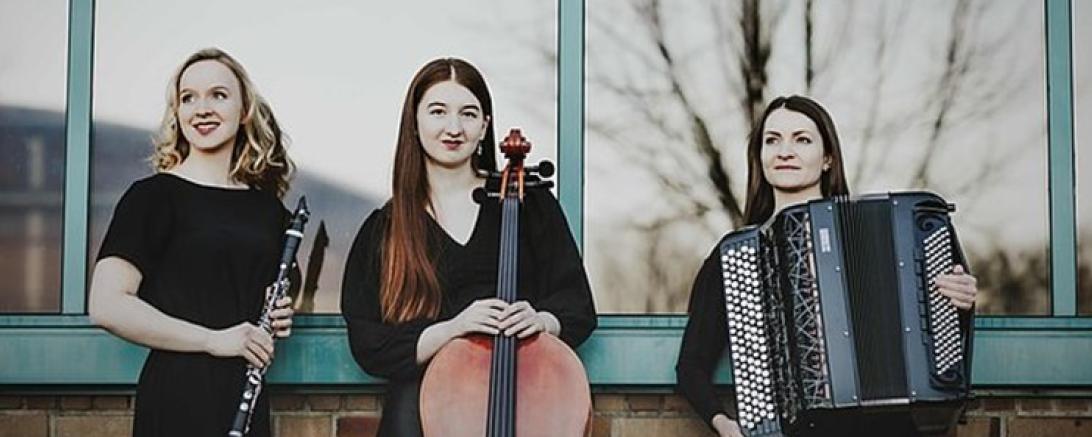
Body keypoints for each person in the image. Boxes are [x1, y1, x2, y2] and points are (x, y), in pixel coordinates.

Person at [675, 95, 979, 437]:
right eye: (772, 140)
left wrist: (957, 302)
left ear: (827, 158)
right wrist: (725, 425)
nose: (784, 151)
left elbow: (937, 341)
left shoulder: (898, 231)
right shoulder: (737, 256)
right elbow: (691, 365)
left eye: (802, 140)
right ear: (759, 157)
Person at [340, 57, 597, 437]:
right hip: (420, 412)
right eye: (438, 111)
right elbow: (369, 343)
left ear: (484, 126)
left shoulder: (529, 205)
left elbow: (577, 304)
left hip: (524, 397)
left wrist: (542, 321)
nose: (454, 128)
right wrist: (453, 328)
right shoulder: (387, 228)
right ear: (414, 122)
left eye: (468, 114)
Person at [88, 48, 297, 437]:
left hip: (245, 394)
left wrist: (280, 311)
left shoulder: (268, 210)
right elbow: (106, 304)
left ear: (244, 110)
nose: (201, 109)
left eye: (218, 95)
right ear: (178, 112)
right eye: (188, 98)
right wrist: (212, 340)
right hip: (177, 394)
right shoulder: (152, 197)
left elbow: (254, 291)